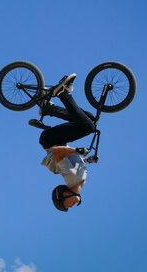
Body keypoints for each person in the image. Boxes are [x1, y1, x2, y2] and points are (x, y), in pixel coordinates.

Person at [35, 73, 96, 212]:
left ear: (65, 194)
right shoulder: (79, 180)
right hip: (54, 141)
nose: (71, 206)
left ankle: (63, 93)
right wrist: (87, 160)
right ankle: (49, 109)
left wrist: (77, 150)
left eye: (67, 204)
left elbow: (57, 153)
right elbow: (73, 160)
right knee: (88, 119)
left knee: (88, 127)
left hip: (51, 141)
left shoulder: (71, 178)